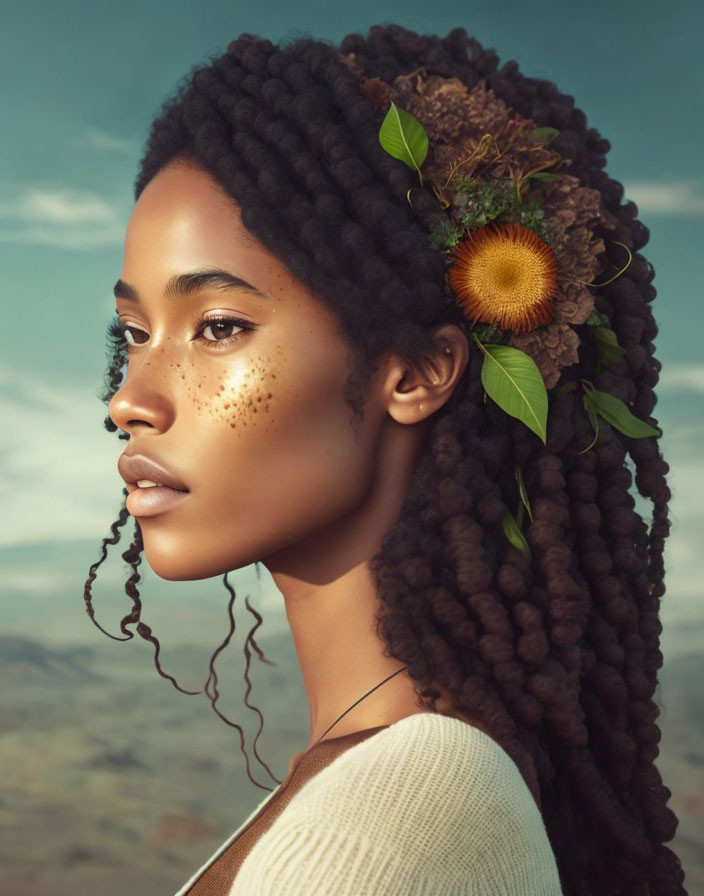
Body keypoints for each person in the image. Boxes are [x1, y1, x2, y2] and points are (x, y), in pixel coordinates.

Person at [83, 23, 688, 896]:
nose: (130, 398)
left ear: (417, 373)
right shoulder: (403, 790)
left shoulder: (386, 841)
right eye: (135, 333)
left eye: (218, 327)